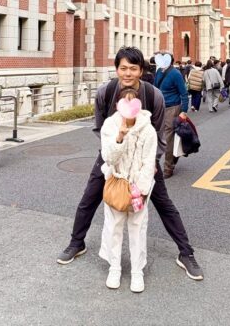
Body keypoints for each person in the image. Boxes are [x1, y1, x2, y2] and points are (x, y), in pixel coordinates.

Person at [56, 47, 203, 281]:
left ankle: (186, 253)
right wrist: (114, 150)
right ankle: (76, 242)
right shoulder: (106, 92)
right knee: (89, 199)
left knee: (164, 204)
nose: (128, 73)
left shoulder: (153, 95)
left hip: (145, 160)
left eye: (133, 68)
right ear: (116, 69)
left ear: (141, 71)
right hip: (112, 156)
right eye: (123, 68)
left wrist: (151, 163)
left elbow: (159, 133)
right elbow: (99, 128)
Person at [99, 87, 157, 292]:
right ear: (118, 105)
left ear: (139, 106)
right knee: (113, 227)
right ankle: (114, 267)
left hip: (137, 187)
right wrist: (120, 137)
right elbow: (108, 158)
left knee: (138, 228)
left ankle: (137, 271)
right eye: (125, 102)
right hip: (116, 183)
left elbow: (149, 162)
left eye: (133, 102)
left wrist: (141, 189)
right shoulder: (110, 125)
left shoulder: (148, 130)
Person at [154, 52, 189, 179]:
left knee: (168, 139)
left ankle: (168, 167)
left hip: (172, 108)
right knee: (156, 137)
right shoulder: (159, 72)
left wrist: (184, 111)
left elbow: (183, 93)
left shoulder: (175, 74)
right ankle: (159, 163)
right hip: (159, 108)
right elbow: (155, 89)